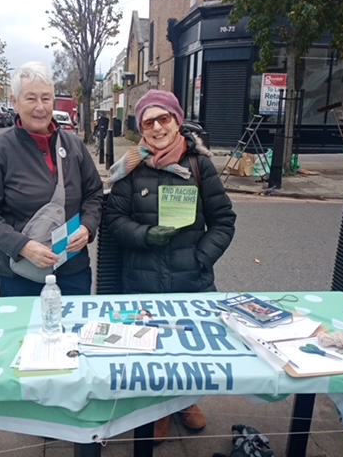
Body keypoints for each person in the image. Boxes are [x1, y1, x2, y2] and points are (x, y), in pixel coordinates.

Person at [104, 89, 236, 441]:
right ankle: (154, 410)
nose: (158, 127)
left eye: (165, 119)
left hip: (191, 277)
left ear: (177, 121)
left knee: (188, 348)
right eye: (149, 121)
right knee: (148, 348)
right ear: (141, 128)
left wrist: (200, 258)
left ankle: (185, 402)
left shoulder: (199, 165)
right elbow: (114, 221)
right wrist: (146, 234)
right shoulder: (129, 169)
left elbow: (223, 221)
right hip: (141, 279)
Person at [0, 61, 103, 297]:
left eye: (46, 98)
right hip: (19, 274)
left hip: (72, 270)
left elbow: (94, 193)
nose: (40, 107)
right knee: (23, 334)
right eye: (31, 99)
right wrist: (22, 246)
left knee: (73, 332)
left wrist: (87, 226)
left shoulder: (74, 146)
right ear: (15, 102)